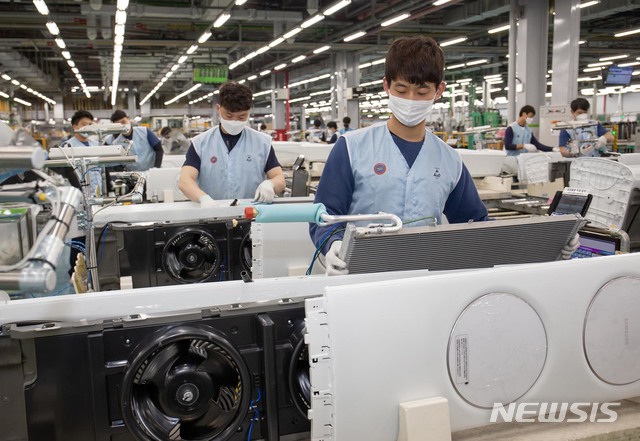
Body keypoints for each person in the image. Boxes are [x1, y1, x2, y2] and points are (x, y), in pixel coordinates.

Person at [309, 35, 579, 276]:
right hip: (360, 278)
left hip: (427, 280)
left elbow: (476, 225)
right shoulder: (351, 148)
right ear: (386, 86)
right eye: (401, 90)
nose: (411, 99)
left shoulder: (449, 160)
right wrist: (332, 245)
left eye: (422, 91)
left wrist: (549, 241)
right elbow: (324, 216)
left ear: (439, 90)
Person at [179, 81, 285, 206]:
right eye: (229, 116)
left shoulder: (262, 142)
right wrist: (204, 199)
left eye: (241, 117)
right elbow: (185, 181)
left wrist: (270, 184)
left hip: (251, 215)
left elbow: (279, 179)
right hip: (211, 214)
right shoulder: (200, 143)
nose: (234, 121)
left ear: (249, 111)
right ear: (218, 109)